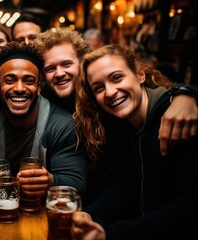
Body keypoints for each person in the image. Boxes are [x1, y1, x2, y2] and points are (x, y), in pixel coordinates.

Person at [72, 44, 198, 240]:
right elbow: (125, 188)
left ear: (140, 75)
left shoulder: (175, 116)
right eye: (99, 88)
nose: (110, 92)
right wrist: (88, 214)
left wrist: (109, 234)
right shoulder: (123, 124)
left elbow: (190, 207)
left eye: (116, 78)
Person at [35, 27, 198, 156]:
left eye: (66, 64)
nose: (59, 73)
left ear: (80, 63)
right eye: (50, 68)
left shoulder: (106, 102)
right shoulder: (42, 101)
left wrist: (185, 94)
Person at [0, 42, 87, 197]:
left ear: (39, 88)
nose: (19, 88)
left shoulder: (62, 125)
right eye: (9, 80)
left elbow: (77, 182)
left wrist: (51, 181)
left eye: (29, 81)